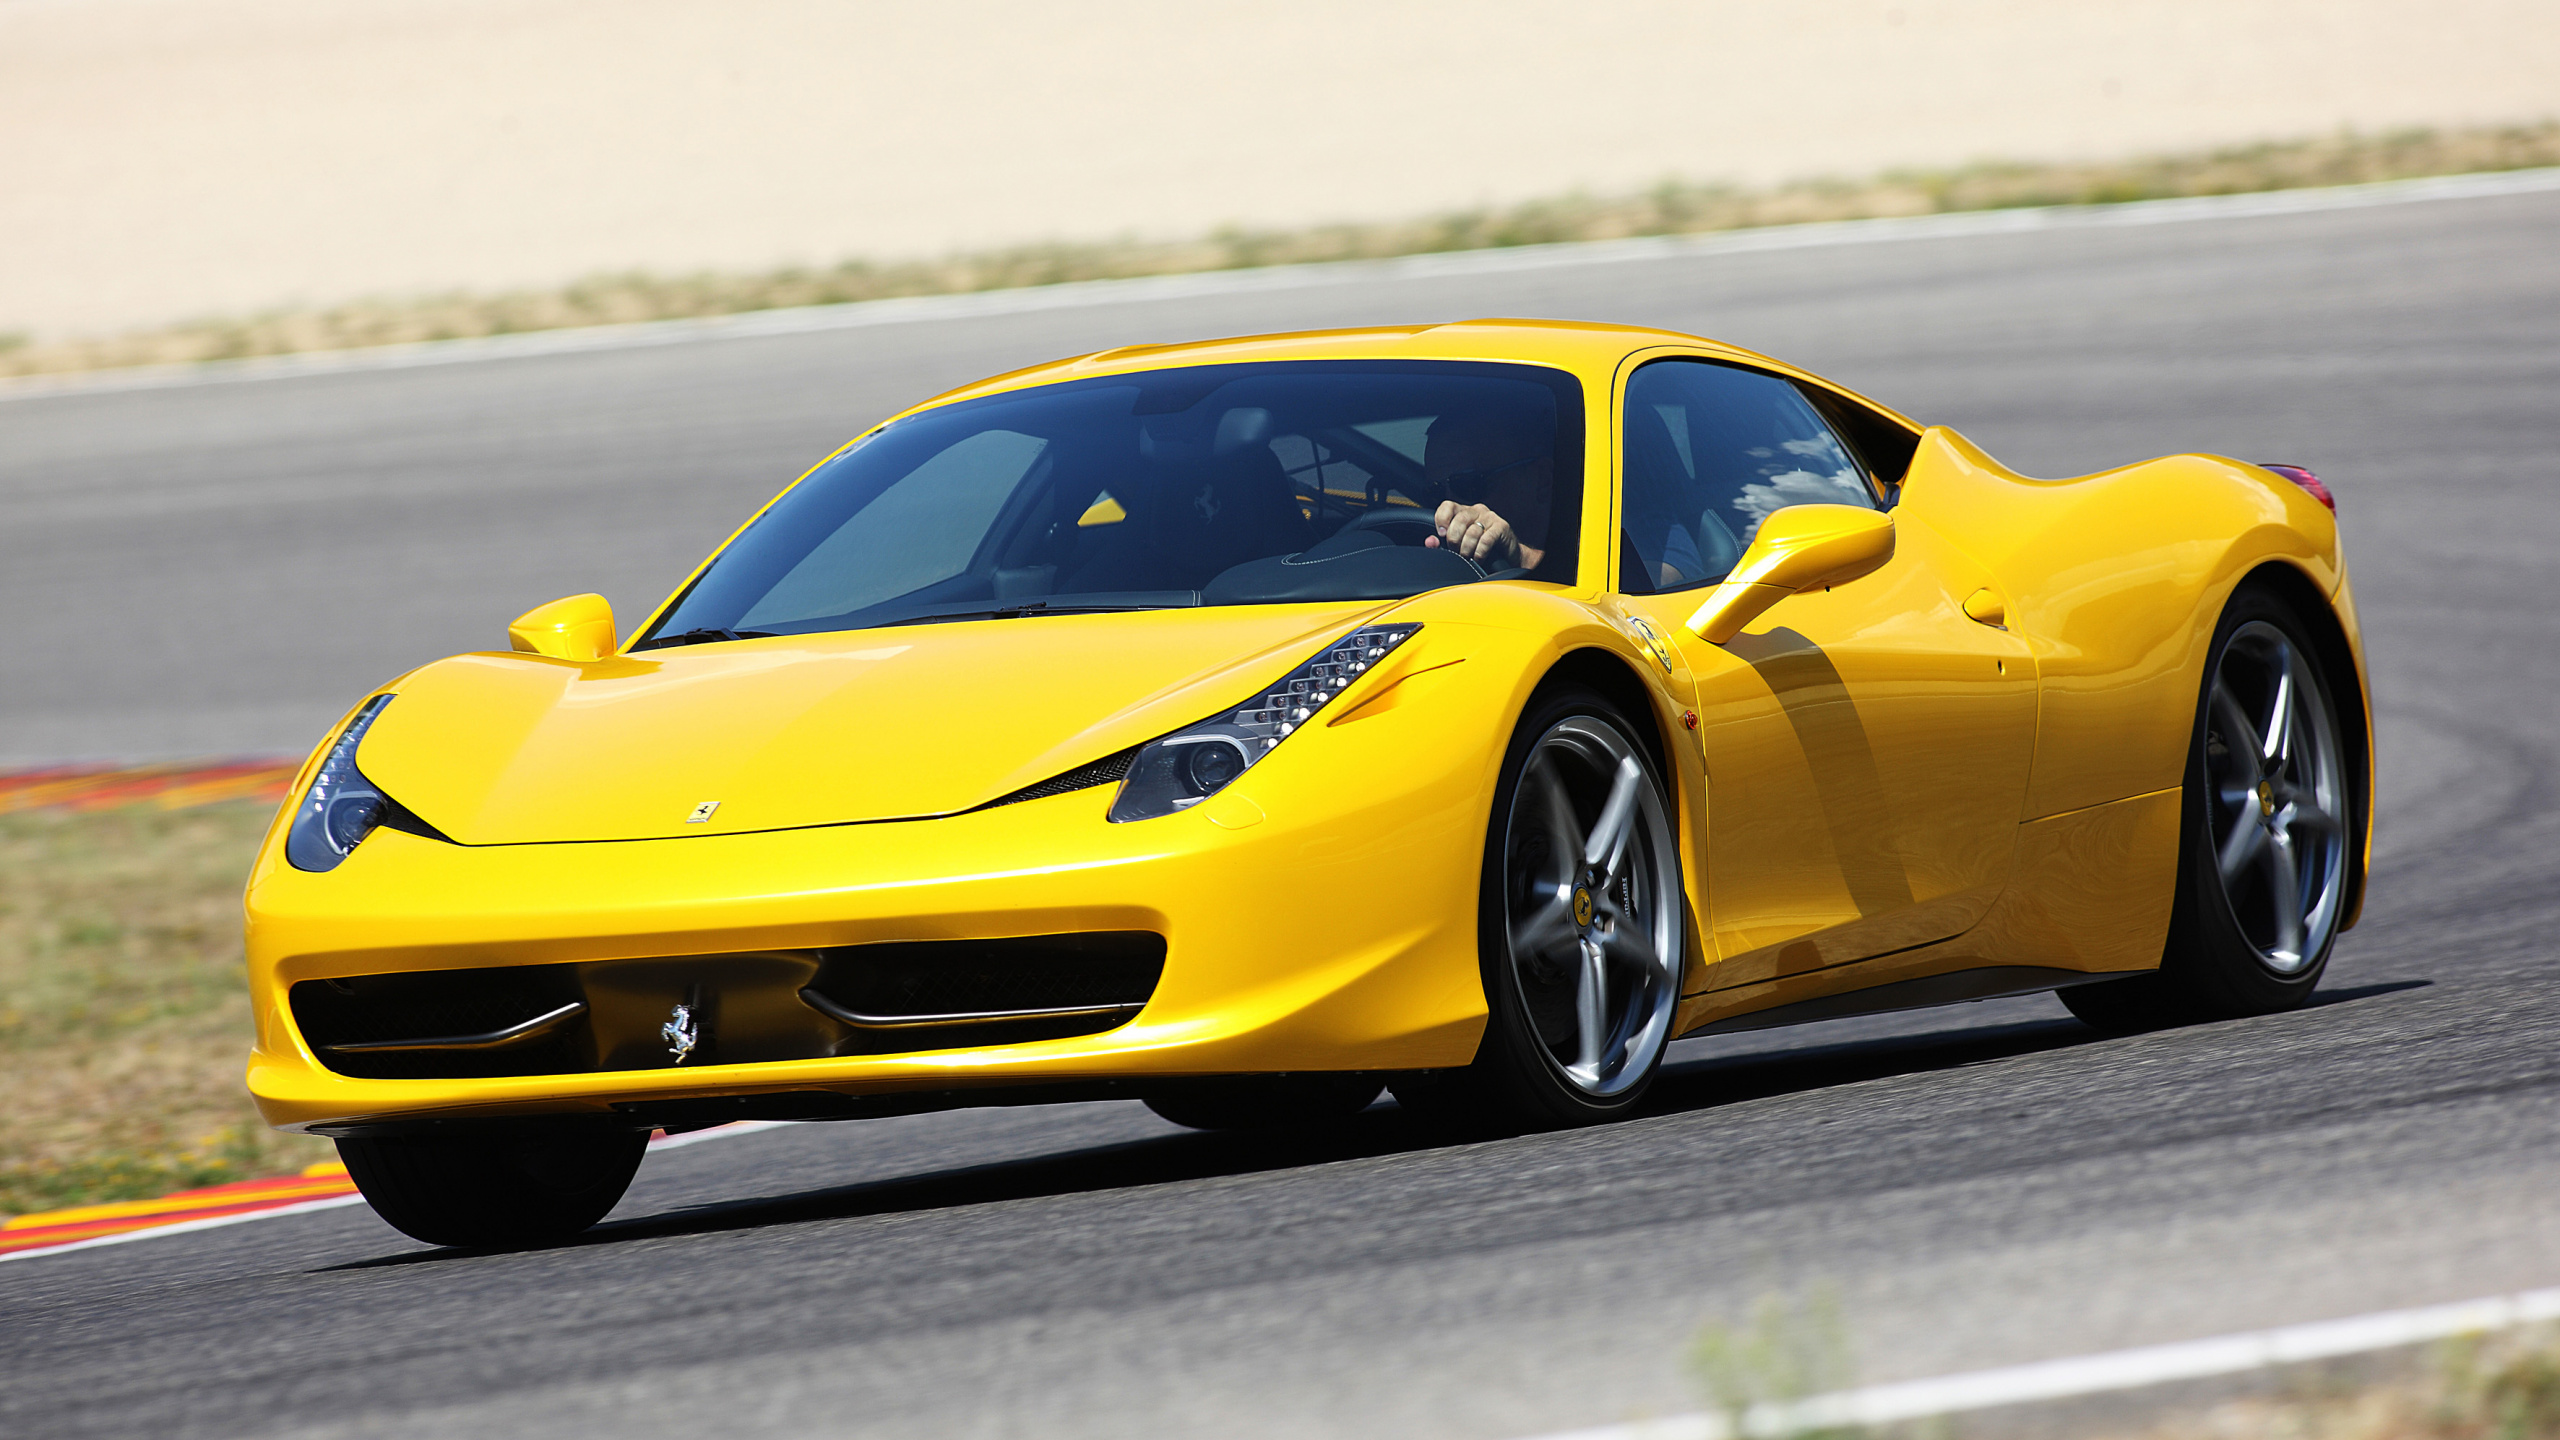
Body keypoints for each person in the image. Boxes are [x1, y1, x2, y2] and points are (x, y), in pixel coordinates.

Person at [1421, 404, 1551, 571]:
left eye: (1468, 483)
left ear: (1542, 480)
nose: (1448, 506)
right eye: (1435, 492)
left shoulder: (1592, 539)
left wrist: (1520, 556)